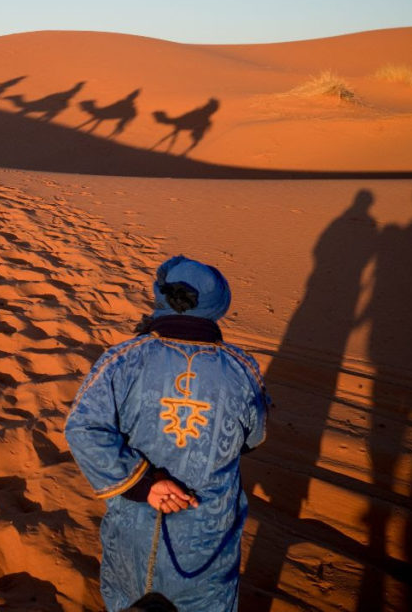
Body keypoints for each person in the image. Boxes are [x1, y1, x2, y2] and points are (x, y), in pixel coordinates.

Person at [65, 256, 268, 612]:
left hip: (135, 534)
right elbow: (254, 437)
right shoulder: (243, 369)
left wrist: (143, 485)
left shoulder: (122, 359)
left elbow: (82, 427)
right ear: (219, 306)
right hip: (208, 538)